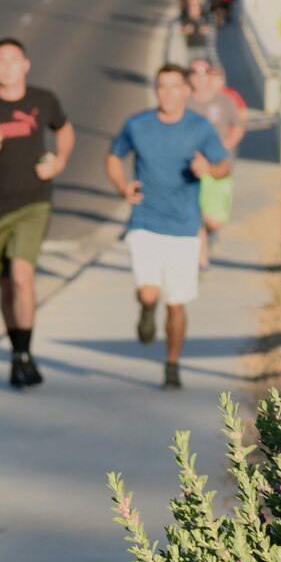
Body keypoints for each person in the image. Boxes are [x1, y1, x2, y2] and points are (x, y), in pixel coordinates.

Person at [0, 37, 75, 388]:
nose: (6, 66)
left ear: (26, 64)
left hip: (34, 203)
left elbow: (65, 131)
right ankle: (18, 352)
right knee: (7, 288)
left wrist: (59, 160)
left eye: (13, 60)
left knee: (22, 276)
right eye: (0, 61)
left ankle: (24, 353)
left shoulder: (43, 100)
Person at [103, 62, 229, 388]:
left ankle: (172, 364)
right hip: (145, 221)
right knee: (149, 292)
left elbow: (223, 165)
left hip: (185, 227)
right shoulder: (137, 124)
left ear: (186, 91)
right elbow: (113, 156)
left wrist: (208, 169)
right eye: (162, 86)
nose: (167, 93)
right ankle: (146, 310)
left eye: (174, 86)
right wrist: (122, 187)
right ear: (155, 90)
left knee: (176, 304)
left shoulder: (200, 127)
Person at [186, 56, 246, 267]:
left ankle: (211, 235)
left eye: (203, 72)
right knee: (196, 214)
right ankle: (202, 260)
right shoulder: (185, 102)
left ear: (210, 75)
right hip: (191, 168)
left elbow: (238, 127)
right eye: (194, 73)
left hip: (218, 168)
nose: (199, 78)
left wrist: (225, 146)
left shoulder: (223, 101)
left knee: (214, 220)